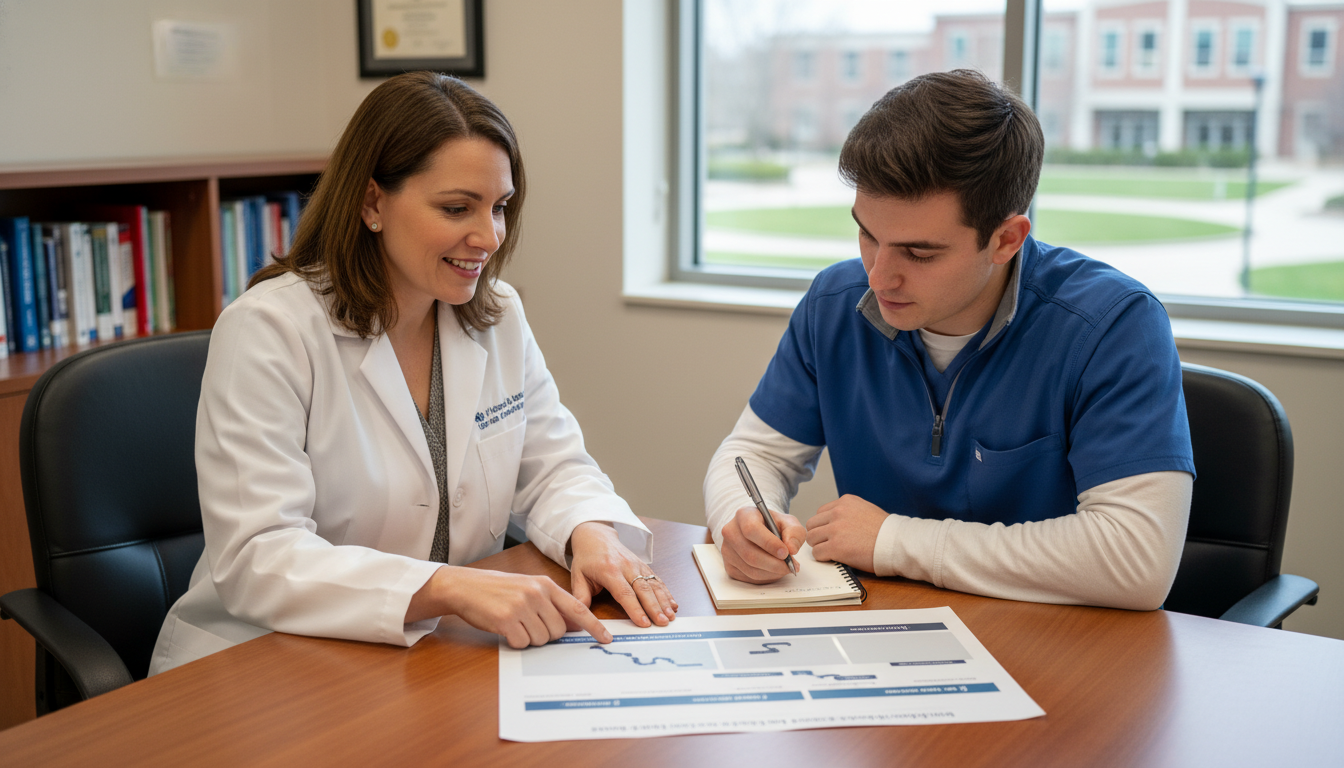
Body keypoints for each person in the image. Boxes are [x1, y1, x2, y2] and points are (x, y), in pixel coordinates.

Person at [150, 72, 675, 676]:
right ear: (372, 203)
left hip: (426, 654)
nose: (489, 236)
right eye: (457, 208)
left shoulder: (497, 314)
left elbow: (553, 465)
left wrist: (591, 532)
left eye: (499, 207)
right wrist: (446, 587)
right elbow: (258, 557)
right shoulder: (269, 329)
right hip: (266, 658)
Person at [704, 69, 1195, 611]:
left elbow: (1136, 559)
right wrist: (739, 521)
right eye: (867, 233)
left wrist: (894, 541)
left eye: (919, 253)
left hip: (1051, 638)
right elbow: (755, 454)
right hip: (883, 629)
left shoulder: (1115, 326)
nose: (878, 278)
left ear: (1006, 239)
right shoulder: (834, 304)